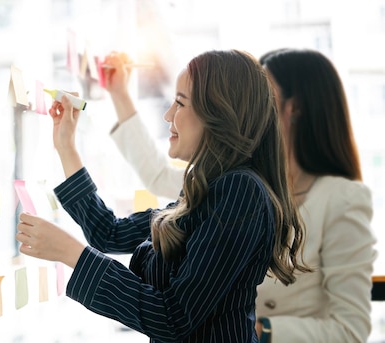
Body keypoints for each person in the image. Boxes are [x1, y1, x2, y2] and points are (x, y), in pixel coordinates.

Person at [15, 49, 311, 342]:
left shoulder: (240, 192)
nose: (168, 115)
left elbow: (173, 318)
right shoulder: (203, 191)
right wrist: (66, 146)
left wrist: (71, 254)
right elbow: (109, 233)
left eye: (180, 104)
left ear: (218, 115)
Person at [103, 48, 378, 342]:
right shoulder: (230, 178)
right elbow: (158, 176)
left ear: (294, 108)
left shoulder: (341, 199)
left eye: (264, 93)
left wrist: (263, 329)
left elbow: (351, 329)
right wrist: (119, 93)